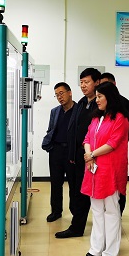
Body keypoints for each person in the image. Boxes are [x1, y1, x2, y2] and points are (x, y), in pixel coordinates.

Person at [81, 82, 129, 256]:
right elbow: (87, 138)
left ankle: (111, 252)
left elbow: (113, 143)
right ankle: (96, 248)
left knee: (111, 210)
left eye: (100, 96)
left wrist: (92, 154)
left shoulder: (120, 119)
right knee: (96, 210)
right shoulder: (96, 118)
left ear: (110, 97)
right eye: (97, 96)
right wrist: (89, 155)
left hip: (110, 170)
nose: (97, 100)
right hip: (94, 169)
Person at [55, 68, 101, 239]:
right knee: (76, 191)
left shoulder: (100, 104)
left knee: (86, 194)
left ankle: (78, 227)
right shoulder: (81, 103)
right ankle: (77, 223)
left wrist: (91, 155)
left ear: (97, 82)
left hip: (92, 156)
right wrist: (71, 155)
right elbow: (73, 129)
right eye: (81, 82)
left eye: (86, 82)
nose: (83, 85)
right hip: (76, 156)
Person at [100, 71, 129, 215]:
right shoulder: (100, 105)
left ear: (114, 84)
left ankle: (117, 215)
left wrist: (122, 141)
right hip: (101, 154)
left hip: (115, 153)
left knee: (117, 188)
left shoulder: (124, 104)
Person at [41, 82, 75, 222]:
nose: (59, 97)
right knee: (55, 183)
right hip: (56, 151)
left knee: (74, 184)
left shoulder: (78, 110)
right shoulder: (55, 111)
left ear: (69, 92)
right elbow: (51, 129)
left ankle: (75, 212)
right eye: (57, 95)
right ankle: (56, 211)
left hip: (72, 151)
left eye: (61, 93)